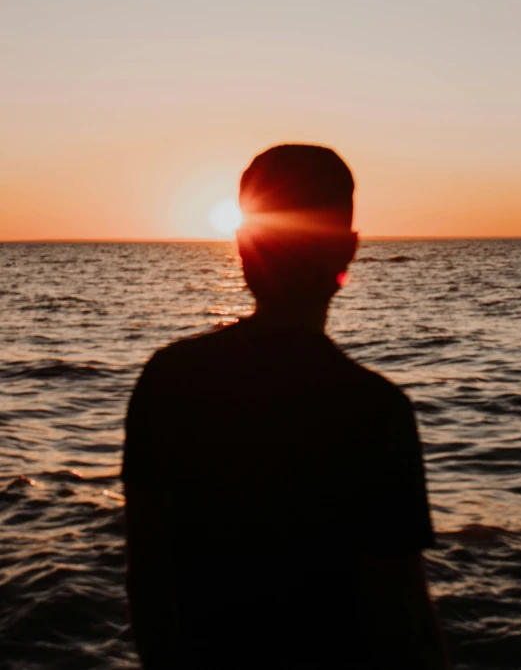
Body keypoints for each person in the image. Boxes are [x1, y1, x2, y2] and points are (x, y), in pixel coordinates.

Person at [122, 144, 448, 669]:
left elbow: (148, 582)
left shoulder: (168, 379)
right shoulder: (376, 412)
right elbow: (400, 618)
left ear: (243, 246)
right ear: (348, 250)